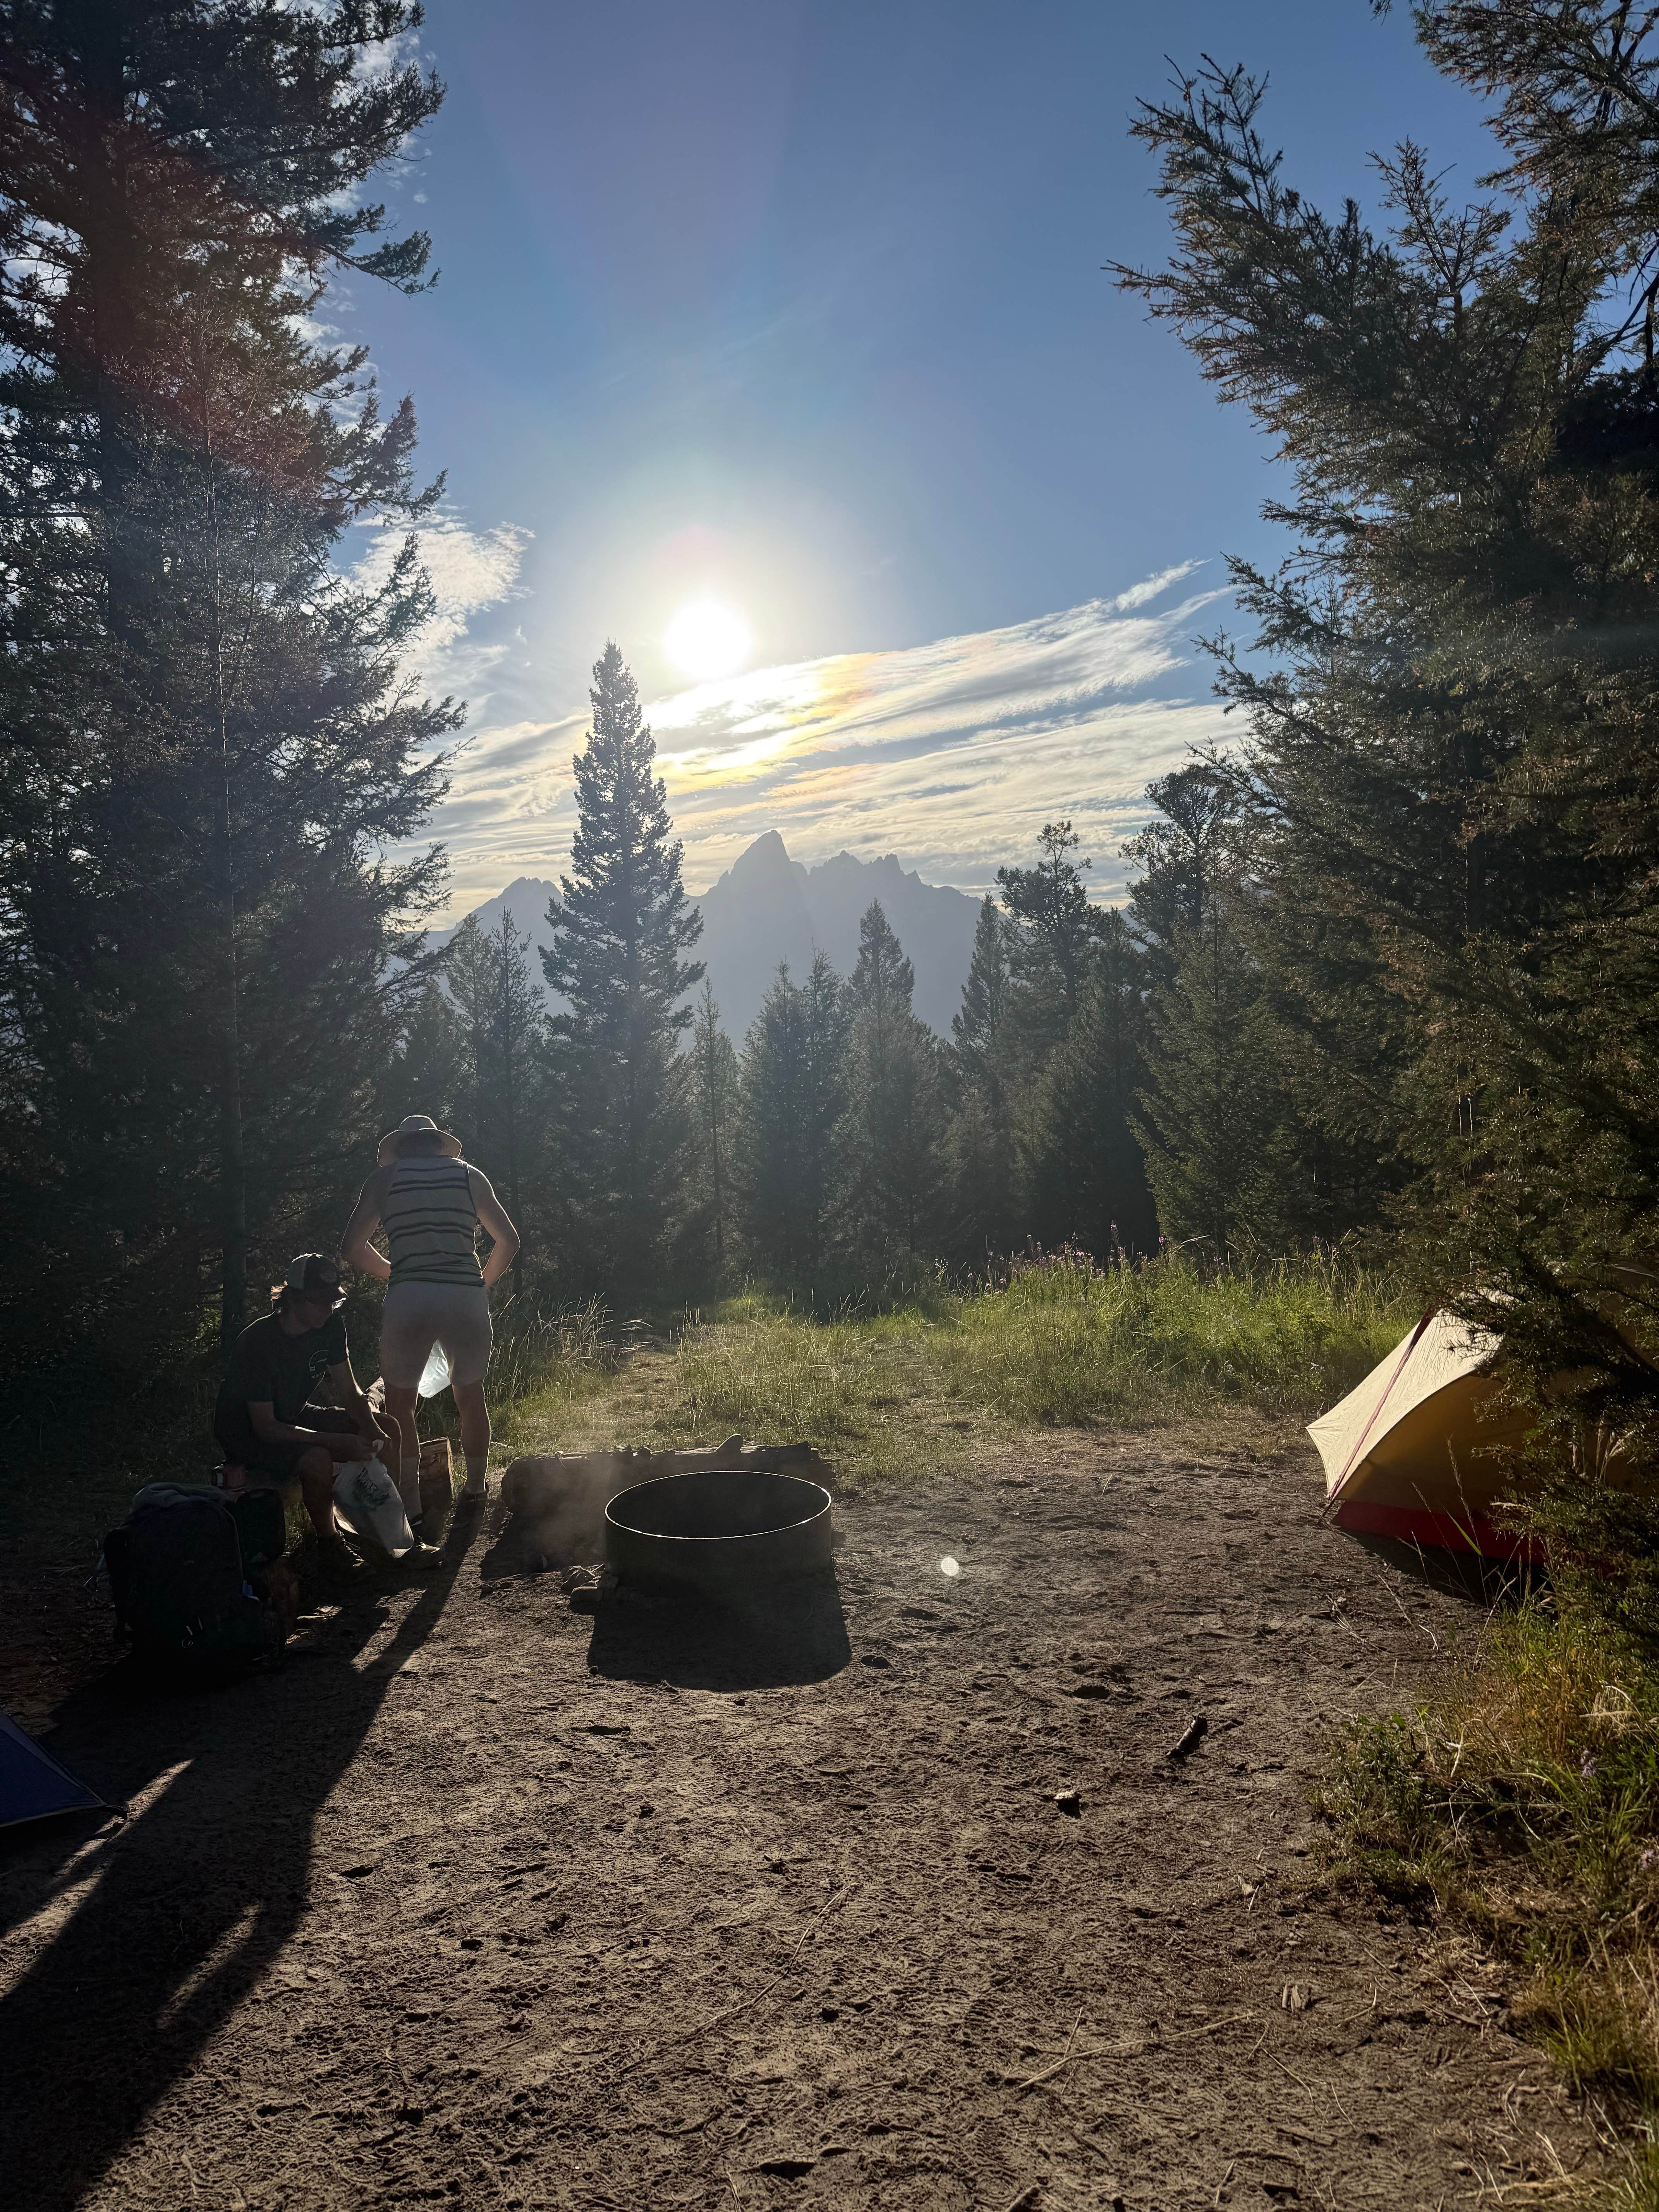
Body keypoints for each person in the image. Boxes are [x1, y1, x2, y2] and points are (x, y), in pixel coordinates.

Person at [212, 1254, 436, 1577]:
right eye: (319, 1302)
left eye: (333, 1301)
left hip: (291, 1414)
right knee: (316, 1458)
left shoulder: (330, 1326)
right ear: (291, 1298)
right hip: (246, 1433)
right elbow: (266, 1427)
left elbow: (350, 1391)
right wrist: (335, 1441)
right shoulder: (258, 1343)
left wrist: (371, 1428)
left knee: (387, 1427)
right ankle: (330, 1548)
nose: (327, 1309)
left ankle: (389, 1537)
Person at [340, 1115, 520, 1515]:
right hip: (465, 1297)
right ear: (438, 1144)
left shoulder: (383, 1180)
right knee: (470, 1396)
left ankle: (412, 1502)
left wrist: (399, 1273)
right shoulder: (469, 1175)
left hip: (410, 1298)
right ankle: (475, 1491)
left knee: (400, 1403)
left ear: (401, 1148)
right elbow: (509, 1240)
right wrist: (480, 1283)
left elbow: (351, 1247)